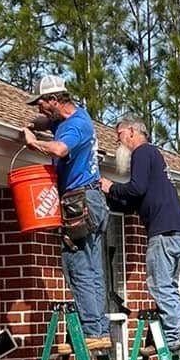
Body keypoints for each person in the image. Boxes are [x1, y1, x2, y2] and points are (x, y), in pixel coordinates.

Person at [22, 73, 111, 341]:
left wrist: (32, 142)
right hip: (90, 200)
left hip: (79, 202)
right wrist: (37, 123)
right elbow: (48, 122)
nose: (38, 108)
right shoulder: (75, 118)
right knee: (93, 269)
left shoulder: (74, 128)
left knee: (78, 267)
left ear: (53, 99)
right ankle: (99, 330)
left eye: (41, 102)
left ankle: (92, 332)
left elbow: (60, 150)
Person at [105, 115, 180, 360]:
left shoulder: (142, 152)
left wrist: (110, 187)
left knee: (159, 284)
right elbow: (134, 201)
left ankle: (172, 339)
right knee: (168, 285)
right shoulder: (154, 156)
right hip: (175, 228)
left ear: (131, 131)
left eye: (119, 134)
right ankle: (168, 334)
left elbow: (135, 189)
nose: (117, 139)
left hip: (163, 231)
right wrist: (111, 198)